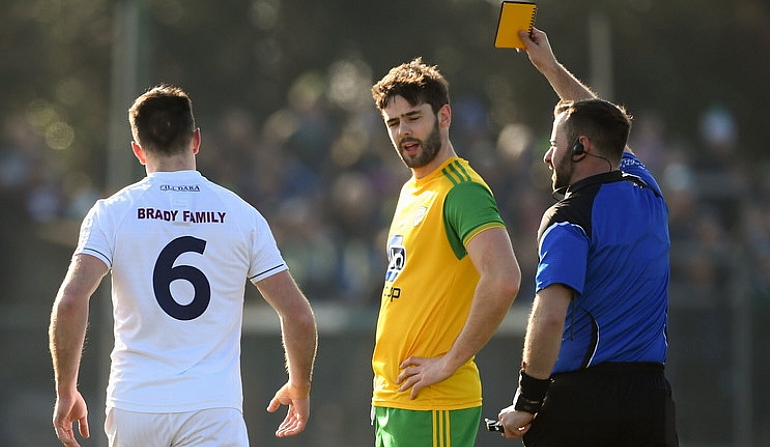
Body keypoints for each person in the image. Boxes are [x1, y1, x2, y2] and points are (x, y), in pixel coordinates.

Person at [48, 84, 318, 447]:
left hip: (136, 404)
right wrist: (299, 386)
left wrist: (67, 391)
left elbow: (70, 302)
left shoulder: (111, 213)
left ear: (138, 151)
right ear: (196, 141)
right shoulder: (241, 215)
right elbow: (298, 315)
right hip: (212, 409)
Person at [496, 29, 679, 446]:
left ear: (579, 149)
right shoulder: (648, 188)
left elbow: (550, 316)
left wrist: (527, 401)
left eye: (553, 144)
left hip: (582, 403)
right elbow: (605, 126)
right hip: (652, 401)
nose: (546, 156)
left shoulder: (569, 216)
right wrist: (551, 69)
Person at [369, 58, 522, 447]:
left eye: (413, 117)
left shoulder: (462, 189)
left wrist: (448, 363)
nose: (403, 131)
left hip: (432, 405)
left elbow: (504, 278)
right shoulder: (411, 189)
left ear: (445, 115)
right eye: (393, 123)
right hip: (396, 402)